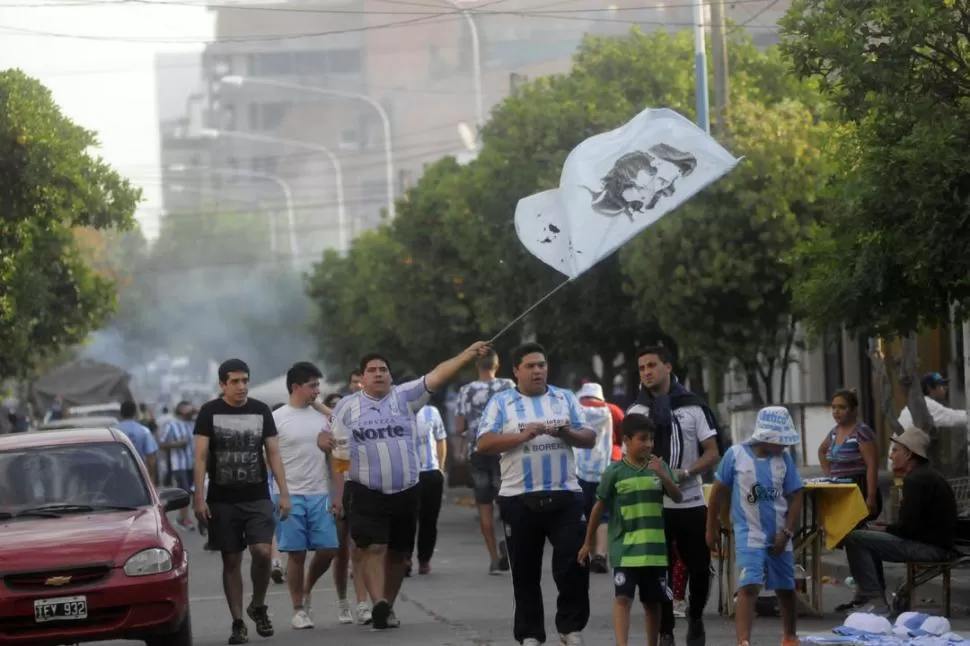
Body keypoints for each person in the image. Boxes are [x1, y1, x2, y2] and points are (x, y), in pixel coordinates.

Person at [330, 341, 491, 629]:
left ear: (390, 376)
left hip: (406, 489)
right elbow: (327, 439)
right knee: (373, 547)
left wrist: (466, 354)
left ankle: (386, 607)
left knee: (399, 553)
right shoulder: (346, 407)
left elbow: (439, 374)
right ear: (362, 378)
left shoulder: (405, 397)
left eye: (383, 370)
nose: (378, 374)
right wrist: (327, 454)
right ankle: (378, 601)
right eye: (372, 370)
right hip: (366, 489)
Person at [477, 342, 597, 646]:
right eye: (530, 366)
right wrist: (522, 435)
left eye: (541, 365)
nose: (537, 370)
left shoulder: (564, 398)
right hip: (519, 497)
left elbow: (589, 437)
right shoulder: (501, 402)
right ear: (516, 370)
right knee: (525, 570)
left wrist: (565, 433)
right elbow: (485, 443)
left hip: (566, 494)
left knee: (574, 562)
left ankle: (570, 628)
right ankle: (530, 633)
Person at [626, 345, 721, 646]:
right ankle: (666, 629)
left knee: (700, 566)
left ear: (668, 367)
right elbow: (626, 458)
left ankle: (694, 615)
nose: (646, 372)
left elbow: (713, 452)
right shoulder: (636, 411)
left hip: (691, 499)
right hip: (653, 504)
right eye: (641, 368)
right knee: (659, 569)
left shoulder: (692, 406)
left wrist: (685, 472)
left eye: (652, 365)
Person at [193, 358, 292, 645]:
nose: (241, 386)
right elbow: (200, 457)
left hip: (257, 496)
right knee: (231, 559)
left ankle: (258, 604)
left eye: (245, 380)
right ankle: (238, 622)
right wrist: (199, 497)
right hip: (222, 499)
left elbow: (273, 453)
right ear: (222, 384)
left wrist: (283, 492)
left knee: (262, 552)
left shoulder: (261, 410)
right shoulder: (209, 412)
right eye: (235, 381)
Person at [579, 413, 682, 646]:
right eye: (642, 439)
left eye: (651, 439)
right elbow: (599, 507)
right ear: (626, 440)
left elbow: (677, 496)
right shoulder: (615, 472)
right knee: (623, 597)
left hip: (655, 551)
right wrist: (587, 543)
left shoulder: (658, 466)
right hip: (625, 549)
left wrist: (664, 475)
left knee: (652, 603)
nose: (648, 444)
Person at [705, 406, 804, 646]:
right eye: (781, 441)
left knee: (786, 588)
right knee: (748, 585)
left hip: (781, 535)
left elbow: (796, 495)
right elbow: (717, 492)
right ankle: (744, 641)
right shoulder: (735, 455)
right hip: (749, 534)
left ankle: (790, 636)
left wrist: (788, 532)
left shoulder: (784, 460)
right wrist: (711, 526)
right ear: (767, 437)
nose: (784, 447)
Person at [840, 426, 958, 615]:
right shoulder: (924, 475)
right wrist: (884, 528)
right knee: (865, 536)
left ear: (909, 454)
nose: (891, 456)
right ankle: (875, 597)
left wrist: (885, 530)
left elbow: (908, 528)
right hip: (933, 543)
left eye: (895, 451)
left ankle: (874, 599)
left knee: (855, 538)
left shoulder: (916, 480)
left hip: (929, 548)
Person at [272, 362, 340, 630]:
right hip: (289, 493)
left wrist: (320, 406)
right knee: (297, 553)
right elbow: (269, 457)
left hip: (319, 492)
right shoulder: (277, 418)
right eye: (312, 385)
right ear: (295, 387)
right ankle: (298, 608)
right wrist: (281, 493)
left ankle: (307, 587)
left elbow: (343, 426)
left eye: (318, 385)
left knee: (329, 549)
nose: (317, 390)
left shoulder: (323, 417)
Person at [455, 348, 515, 574]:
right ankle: (509, 544)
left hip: (478, 452)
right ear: (497, 365)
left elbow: (460, 427)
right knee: (509, 501)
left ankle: (493, 558)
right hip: (505, 451)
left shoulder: (466, 390)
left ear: (476, 367)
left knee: (484, 505)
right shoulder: (508, 386)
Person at [330, 375, 373, 625]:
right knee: (341, 551)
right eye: (354, 381)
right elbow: (336, 460)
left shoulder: (374, 412)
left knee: (361, 548)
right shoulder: (341, 413)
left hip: (366, 488)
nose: (358, 385)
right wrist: (338, 495)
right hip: (343, 487)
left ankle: (362, 603)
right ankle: (342, 600)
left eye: (361, 381)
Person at [817, 389, 880, 524]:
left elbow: (872, 465)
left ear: (853, 410)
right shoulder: (834, 431)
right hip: (838, 493)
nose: (836, 411)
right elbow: (821, 451)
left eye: (842, 407)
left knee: (857, 533)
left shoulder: (862, 432)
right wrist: (829, 475)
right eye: (834, 407)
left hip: (858, 491)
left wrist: (871, 496)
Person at [574, 382, 617, 573]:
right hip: (603, 470)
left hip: (578, 471)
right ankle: (600, 555)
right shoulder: (611, 410)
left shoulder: (574, 408)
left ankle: (586, 555)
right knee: (603, 514)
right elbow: (624, 431)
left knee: (583, 514)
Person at [403, 398, 448, 577]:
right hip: (406, 475)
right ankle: (405, 558)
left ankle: (424, 559)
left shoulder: (432, 412)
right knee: (406, 519)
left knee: (429, 519)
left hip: (430, 473)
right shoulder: (396, 414)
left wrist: (441, 468)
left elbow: (440, 440)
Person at [159, 401, 196, 529]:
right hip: (179, 465)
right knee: (184, 491)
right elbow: (162, 444)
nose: (191, 412)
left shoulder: (191, 424)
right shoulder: (172, 426)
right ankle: (185, 519)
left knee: (190, 491)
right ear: (181, 411)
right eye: (188, 410)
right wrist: (177, 444)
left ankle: (181, 517)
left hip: (191, 464)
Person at [116, 400, 159, 486]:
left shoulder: (114, 431)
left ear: (121, 413)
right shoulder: (144, 431)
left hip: (118, 475)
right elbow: (150, 457)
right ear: (135, 413)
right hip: (139, 475)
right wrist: (151, 479)